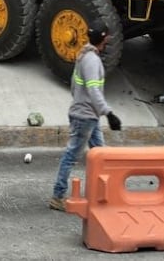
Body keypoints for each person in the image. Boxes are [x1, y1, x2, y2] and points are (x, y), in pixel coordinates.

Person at [49, 22, 121, 212]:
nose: (109, 40)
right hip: (85, 117)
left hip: (89, 115)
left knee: (100, 154)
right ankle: (57, 196)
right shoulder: (91, 60)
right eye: (107, 37)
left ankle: (102, 194)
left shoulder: (84, 55)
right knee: (72, 155)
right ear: (104, 38)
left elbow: (74, 85)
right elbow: (93, 90)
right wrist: (108, 113)